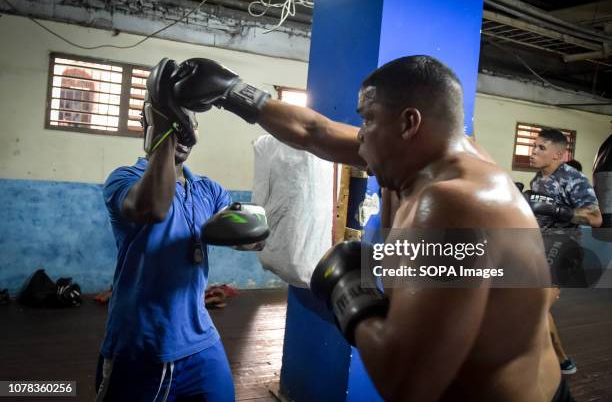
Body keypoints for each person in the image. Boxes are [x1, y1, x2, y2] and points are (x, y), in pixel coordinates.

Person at [162, 55, 572, 401]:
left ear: (409, 124)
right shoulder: (438, 158)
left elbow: (407, 383)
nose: (359, 138)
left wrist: (348, 290)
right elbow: (314, 132)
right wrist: (233, 92)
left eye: (368, 120)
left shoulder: (449, 204)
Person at [96, 59, 234, 401]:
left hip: (202, 342)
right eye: (174, 125)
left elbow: (243, 231)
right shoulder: (124, 179)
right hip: (139, 345)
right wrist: (165, 131)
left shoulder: (209, 189)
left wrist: (255, 229)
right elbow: (152, 207)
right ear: (152, 127)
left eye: (188, 124)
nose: (183, 134)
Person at [528, 129, 602, 375]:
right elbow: (540, 215)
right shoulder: (537, 179)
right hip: (542, 244)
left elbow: (595, 218)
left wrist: (561, 212)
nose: (533, 152)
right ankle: (559, 360)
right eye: (534, 146)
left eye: (541, 148)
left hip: (566, 246)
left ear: (558, 154)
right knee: (535, 307)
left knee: (536, 308)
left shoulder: (574, 178)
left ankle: (557, 360)